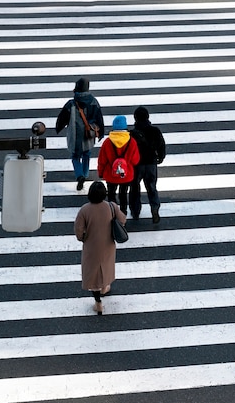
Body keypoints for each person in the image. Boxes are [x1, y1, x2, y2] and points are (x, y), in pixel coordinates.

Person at [74, 181, 126, 315]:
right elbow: (122, 220)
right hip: (108, 244)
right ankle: (104, 287)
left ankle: (98, 303)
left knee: (92, 274)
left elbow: (79, 232)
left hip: (91, 247)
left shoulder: (84, 210)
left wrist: (84, 238)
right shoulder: (111, 206)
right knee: (106, 267)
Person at [55, 77, 105, 190]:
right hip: (88, 134)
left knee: (75, 156)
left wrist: (59, 127)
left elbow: (62, 118)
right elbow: (99, 117)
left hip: (75, 134)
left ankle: (79, 175)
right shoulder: (93, 101)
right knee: (87, 153)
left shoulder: (71, 104)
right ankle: (85, 173)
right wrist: (100, 132)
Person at [97, 115, 140, 216]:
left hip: (110, 174)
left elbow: (102, 160)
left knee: (111, 194)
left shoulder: (107, 142)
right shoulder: (132, 142)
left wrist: (100, 172)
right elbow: (135, 160)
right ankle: (123, 212)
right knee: (123, 194)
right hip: (126, 174)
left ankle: (112, 213)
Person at [129, 106, 166, 223]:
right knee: (152, 187)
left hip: (137, 165)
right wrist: (160, 157)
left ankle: (135, 211)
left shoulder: (132, 134)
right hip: (151, 163)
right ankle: (154, 208)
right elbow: (161, 145)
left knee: (134, 188)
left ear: (135, 118)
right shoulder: (155, 131)